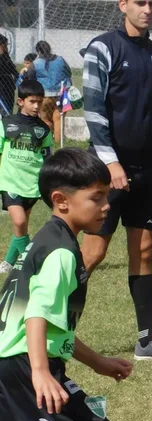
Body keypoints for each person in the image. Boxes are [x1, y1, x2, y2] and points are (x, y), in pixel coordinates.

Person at [0, 148, 132, 421]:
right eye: (96, 197)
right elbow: (37, 316)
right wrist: (41, 372)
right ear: (61, 201)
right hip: (24, 366)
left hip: (9, 361)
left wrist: (98, 363)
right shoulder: (60, 253)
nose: (106, 205)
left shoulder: (39, 242)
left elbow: (55, 327)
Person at [82, 0, 152, 362]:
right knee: (93, 253)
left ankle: (147, 341)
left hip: (146, 168)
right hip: (107, 169)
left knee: (144, 252)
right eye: (140, 2)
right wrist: (110, 163)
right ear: (122, 5)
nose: (149, 9)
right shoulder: (103, 48)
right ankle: (53, 331)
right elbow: (94, 110)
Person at [0, 81, 53, 275]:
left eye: (39, 102)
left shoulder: (44, 130)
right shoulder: (6, 123)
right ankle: (31, 265)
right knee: (20, 222)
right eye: (32, 101)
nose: (37, 106)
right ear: (21, 101)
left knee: (21, 226)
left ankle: (8, 263)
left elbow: (47, 157)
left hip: (32, 184)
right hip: (10, 181)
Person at [31, 42, 71, 145]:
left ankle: (48, 142)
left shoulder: (36, 63)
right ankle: (59, 143)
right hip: (61, 94)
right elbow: (69, 72)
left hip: (45, 95)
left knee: (45, 119)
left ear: (38, 51)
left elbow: (29, 77)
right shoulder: (60, 59)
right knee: (59, 120)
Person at [0, 36, 19, 115]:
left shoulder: (5, 56)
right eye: (5, 45)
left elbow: (14, 71)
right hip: (3, 87)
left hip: (7, 87)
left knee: (7, 110)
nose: (6, 48)